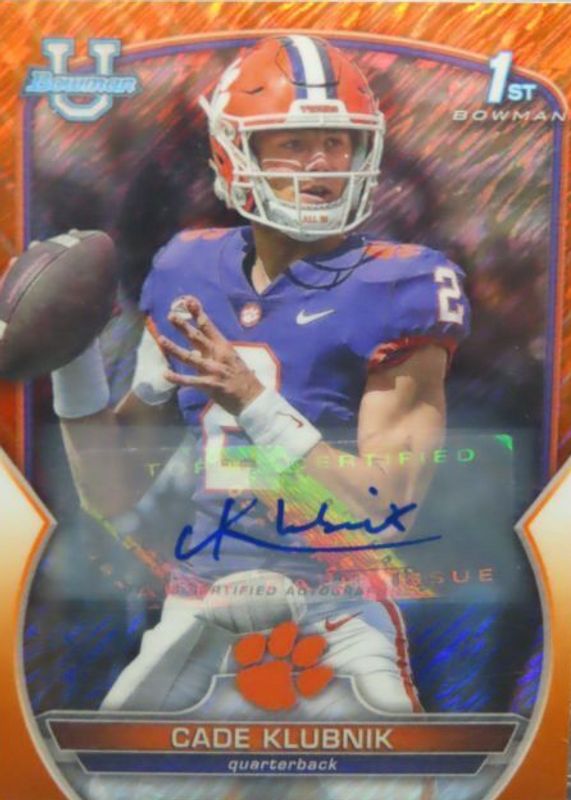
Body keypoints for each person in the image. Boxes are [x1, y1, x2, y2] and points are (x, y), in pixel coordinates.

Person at [51, 34, 470, 799]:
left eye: (336, 142)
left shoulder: (403, 285)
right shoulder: (186, 268)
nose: (320, 163)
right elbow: (110, 495)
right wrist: (70, 359)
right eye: (293, 142)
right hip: (201, 602)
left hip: (335, 610)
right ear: (234, 152)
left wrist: (252, 401)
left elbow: (383, 511)